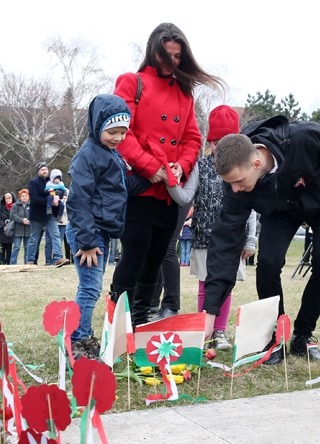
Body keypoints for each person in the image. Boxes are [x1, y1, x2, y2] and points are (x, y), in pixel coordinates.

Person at [202, 117, 320, 365]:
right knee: (267, 262)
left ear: (256, 163)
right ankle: (275, 337)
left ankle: (303, 334)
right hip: (281, 210)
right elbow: (225, 245)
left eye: (238, 182)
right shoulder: (236, 187)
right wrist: (211, 311)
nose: (234, 190)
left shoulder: (303, 137)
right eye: (229, 183)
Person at [109, 23, 223, 326]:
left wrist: (181, 167)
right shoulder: (132, 82)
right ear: (152, 51)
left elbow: (192, 139)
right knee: (134, 253)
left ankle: (141, 320)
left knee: (157, 256)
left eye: (176, 56)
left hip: (169, 192)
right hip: (139, 187)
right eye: (165, 55)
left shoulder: (185, 95)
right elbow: (122, 132)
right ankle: (118, 322)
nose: (171, 62)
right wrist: (150, 167)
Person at [66, 94, 149, 360]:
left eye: (123, 133)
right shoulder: (88, 156)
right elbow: (78, 201)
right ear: (97, 125)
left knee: (92, 287)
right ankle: (78, 341)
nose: (118, 138)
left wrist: (152, 178)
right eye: (112, 131)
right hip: (88, 234)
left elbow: (123, 187)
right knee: (90, 287)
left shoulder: (111, 155)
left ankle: (83, 336)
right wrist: (88, 242)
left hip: (101, 232)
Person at [189, 105, 256, 350]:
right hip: (204, 236)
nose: (219, 148)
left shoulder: (247, 168)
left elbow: (251, 208)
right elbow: (187, 194)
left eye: (225, 141)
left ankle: (219, 331)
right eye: (215, 142)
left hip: (232, 239)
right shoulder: (200, 166)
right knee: (205, 285)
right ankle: (202, 329)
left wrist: (249, 240)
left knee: (226, 285)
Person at [26, 163, 69, 266]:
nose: (44, 171)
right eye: (42, 169)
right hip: (37, 214)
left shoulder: (53, 182)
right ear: (38, 171)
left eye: (46, 169)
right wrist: (49, 201)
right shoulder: (34, 182)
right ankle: (30, 260)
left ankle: (58, 258)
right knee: (34, 238)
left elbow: (60, 191)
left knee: (56, 235)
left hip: (49, 214)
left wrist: (59, 197)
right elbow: (34, 198)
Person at [10, 189, 31, 264]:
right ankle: (13, 263)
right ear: (20, 197)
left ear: (28, 197)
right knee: (16, 247)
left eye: (26, 196)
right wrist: (22, 220)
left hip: (28, 230)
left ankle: (26, 263)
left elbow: (34, 215)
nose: (24, 197)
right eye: (23, 196)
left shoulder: (31, 205)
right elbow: (13, 215)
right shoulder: (15, 205)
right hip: (18, 230)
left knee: (27, 248)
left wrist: (29, 221)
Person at [0, 192, 15, 265]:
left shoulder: (15, 207)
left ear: (12, 199)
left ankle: (9, 261)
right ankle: (1, 261)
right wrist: (3, 226)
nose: (8, 200)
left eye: (9, 198)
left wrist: (11, 226)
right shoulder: (2, 207)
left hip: (11, 230)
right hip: (2, 230)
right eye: (6, 198)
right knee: (2, 247)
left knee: (9, 247)